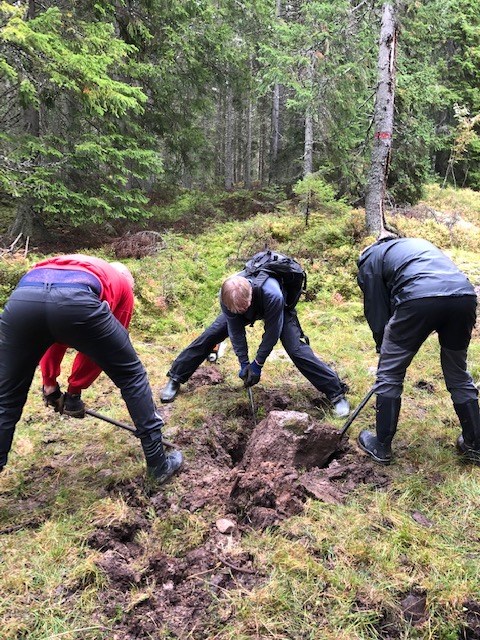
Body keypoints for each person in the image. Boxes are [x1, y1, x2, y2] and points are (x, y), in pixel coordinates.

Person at [0, 254, 183, 484]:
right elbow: (99, 354)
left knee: (6, 400)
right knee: (132, 376)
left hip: (23, 299)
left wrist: (50, 384)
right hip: (75, 299)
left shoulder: (73, 265)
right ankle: (158, 465)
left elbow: (50, 336)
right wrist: (74, 392)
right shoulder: (123, 285)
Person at [357, 235, 480, 465]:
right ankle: (475, 445)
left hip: (419, 297)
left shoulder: (370, 259)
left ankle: (381, 446)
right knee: (457, 372)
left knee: (390, 374)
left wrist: (382, 345)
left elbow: (376, 308)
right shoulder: (411, 246)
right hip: (464, 297)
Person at [160, 270, 350, 417]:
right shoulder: (227, 297)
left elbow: (272, 333)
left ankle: (336, 393)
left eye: (243, 307)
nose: (240, 311)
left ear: (250, 293)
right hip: (243, 303)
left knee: (296, 349)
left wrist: (257, 363)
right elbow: (236, 331)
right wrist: (244, 363)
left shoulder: (272, 294)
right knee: (210, 336)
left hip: (278, 309)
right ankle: (176, 377)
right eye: (236, 309)